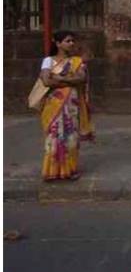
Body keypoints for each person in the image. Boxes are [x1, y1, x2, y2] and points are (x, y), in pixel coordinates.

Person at [38, 30, 94, 182]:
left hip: (72, 104)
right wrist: (69, 80)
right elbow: (46, 81)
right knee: (54, 137)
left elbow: (81, 79)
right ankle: (52, 172)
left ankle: (70, 170)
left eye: (72, 41)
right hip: (53, 105)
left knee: (71, 137)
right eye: (67, 41)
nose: (71, 43)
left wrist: (58, 78)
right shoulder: (48, 61)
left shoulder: (77, 61)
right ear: (57, 43)